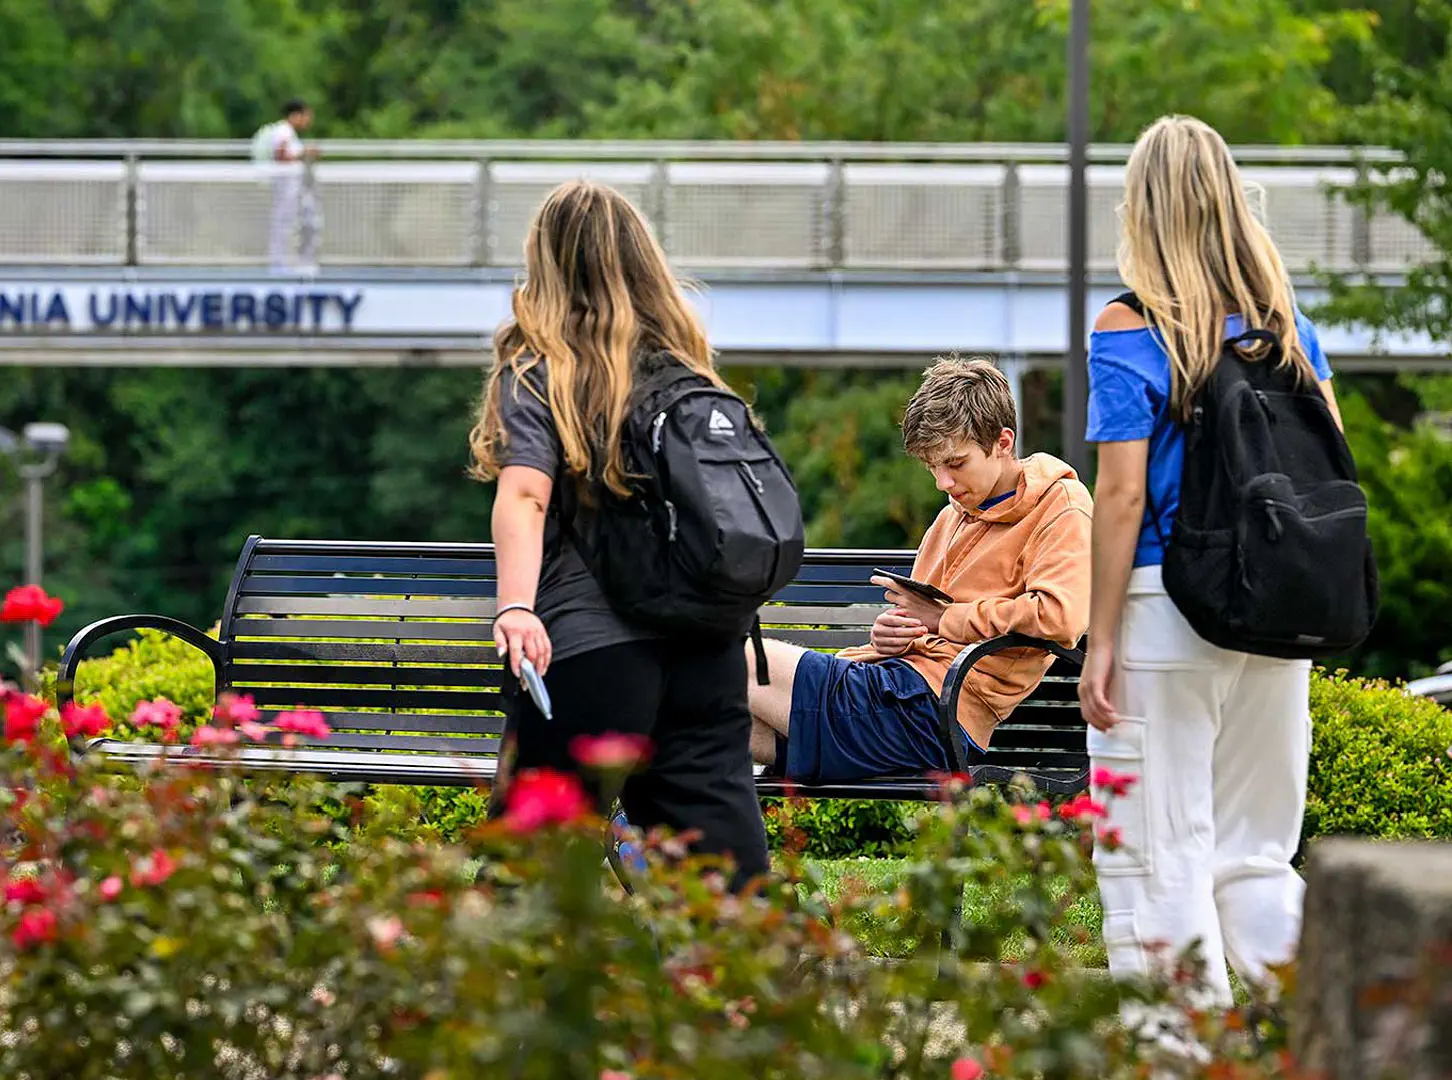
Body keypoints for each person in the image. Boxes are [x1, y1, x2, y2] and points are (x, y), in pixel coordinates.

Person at [1079, 115, 1347, 1006]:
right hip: (1276, 615)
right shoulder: (1289, 325)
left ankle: (1184, 1062)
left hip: (1167, 608)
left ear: (1142, 209)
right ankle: (1359, 1034)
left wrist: (1102, 638)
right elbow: (1330, 463)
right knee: (1253, 861)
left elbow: (1118, 497)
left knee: (1158, 861)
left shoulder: (1131, 325)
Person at [468, 180, 770, 891]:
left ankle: (473, 999)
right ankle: (735, 1000)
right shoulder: (687, 367)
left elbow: (526, 490)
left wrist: (516, 606)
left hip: (597, 651)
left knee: (530, 867)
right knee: (719, 878)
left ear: (546, 263)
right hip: (707, 646)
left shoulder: (544, 366)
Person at [746, 356, 1093, 783]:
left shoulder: (1061, 508)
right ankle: (656, 846)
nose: (942, 483)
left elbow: (1060, 618)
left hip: (931, 713)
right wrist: (891, 634)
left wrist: (944, 619)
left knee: (734, 654)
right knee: (702, 711)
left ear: (1003, 442)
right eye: (933, 467)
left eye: (956, 463)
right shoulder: (955, 514)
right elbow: (927, 620)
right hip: (891, 692)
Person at [250, 99, 320, 274]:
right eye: (306, 116)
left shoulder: (288, 133)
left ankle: (283, 262)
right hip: (285, 185)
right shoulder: (284, 131)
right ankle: (279, 264)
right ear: (296, 115)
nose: (308, 121)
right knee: (282, 223)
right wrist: (304, 153)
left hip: (290, 186)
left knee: (288, 223)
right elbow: (280, 155)